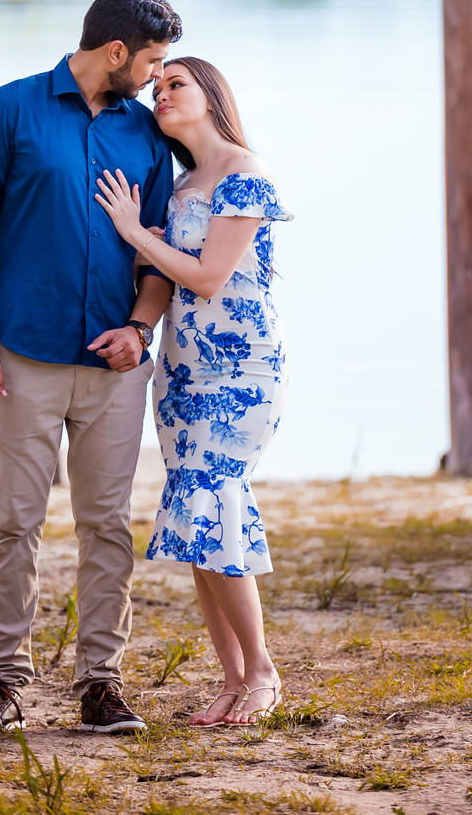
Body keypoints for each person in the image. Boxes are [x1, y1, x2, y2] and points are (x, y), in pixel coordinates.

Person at [0, 0, 182, 741]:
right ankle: (0, 684)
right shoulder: (6, 109)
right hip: (22, 358)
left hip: (115, 366)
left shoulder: (145, 136)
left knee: (107, 525)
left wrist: (140, 330)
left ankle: (100, 685)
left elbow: (161, 252)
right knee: (13, 523)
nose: (153, 75)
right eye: (150, 60)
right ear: (115, 51)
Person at [94, 56, 291, 728]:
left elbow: (207, 277)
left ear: (211, 95)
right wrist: (144, 243)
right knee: (195, 517)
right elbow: (166, 274)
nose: (162, 95)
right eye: (157, 88)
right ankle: (234, 680)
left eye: (176, 83)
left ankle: (263, 670)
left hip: (244, 371)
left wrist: (132, 234)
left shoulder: (244, 174)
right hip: (182, 372)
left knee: (214, 498)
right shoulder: (180, 190)